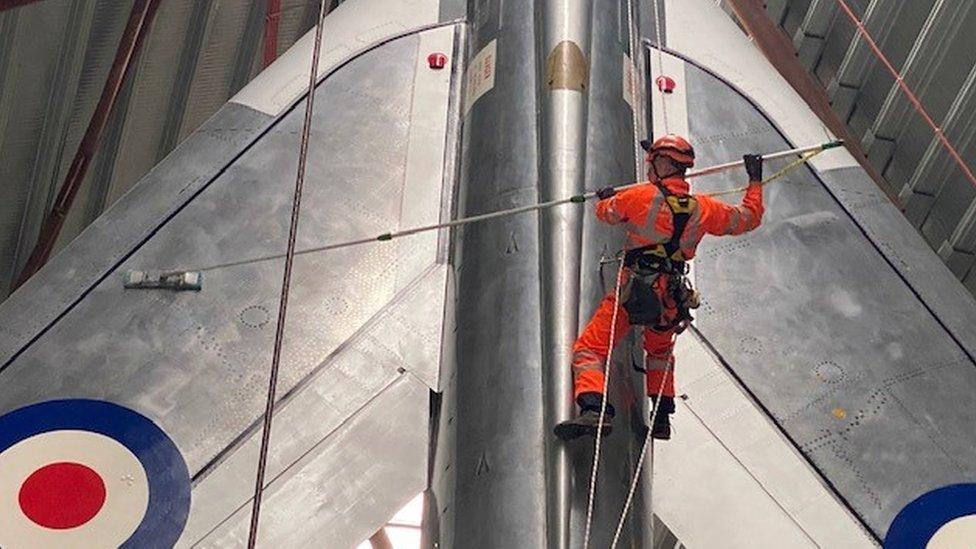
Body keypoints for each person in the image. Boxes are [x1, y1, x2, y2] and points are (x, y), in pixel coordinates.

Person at [554, 134, 765, 441]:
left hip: (635, 290)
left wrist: (605, 197)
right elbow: (748, 219)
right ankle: (661, 417)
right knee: (660, 353)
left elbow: (607, 214)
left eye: (653, 162)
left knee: (590, 348)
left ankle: (595, 409)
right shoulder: (703, 209)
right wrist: (754, 181)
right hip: (671, 297)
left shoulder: (640, 197)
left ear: (663, 164)